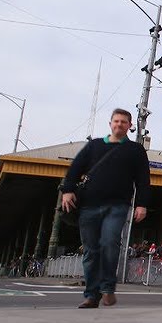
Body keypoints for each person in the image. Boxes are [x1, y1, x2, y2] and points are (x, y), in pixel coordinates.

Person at [60, 108, 152, 309]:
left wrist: (142, 204)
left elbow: (143, 180)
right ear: (110, 123)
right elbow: (75, 169)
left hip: (117, 206)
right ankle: (91, 295)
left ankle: (108, 288)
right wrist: (67, 190)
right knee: (91, 251)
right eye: (116, 121)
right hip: (88, 206)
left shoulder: (136, 150)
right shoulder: (93, 146)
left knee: (110, 242)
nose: (119, 125)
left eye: (123, 122)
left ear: (129, 126)